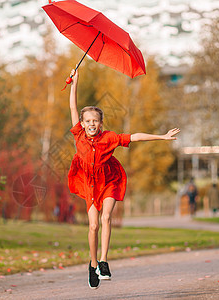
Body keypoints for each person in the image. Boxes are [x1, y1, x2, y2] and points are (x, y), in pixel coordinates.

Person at [67, 68, 180, 289]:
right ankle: (92, 264)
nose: (91, 124)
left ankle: (104, 261)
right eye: (88, 120)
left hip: (109, 179)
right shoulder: (78, 134)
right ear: (82, 123)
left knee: (106, 218)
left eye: (96, 121)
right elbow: (72, 106)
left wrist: (161, 136)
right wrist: (75, 81)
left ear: (101, 123)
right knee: (92, 226)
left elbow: (134, 136)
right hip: (89, 182)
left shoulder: (109, 137)